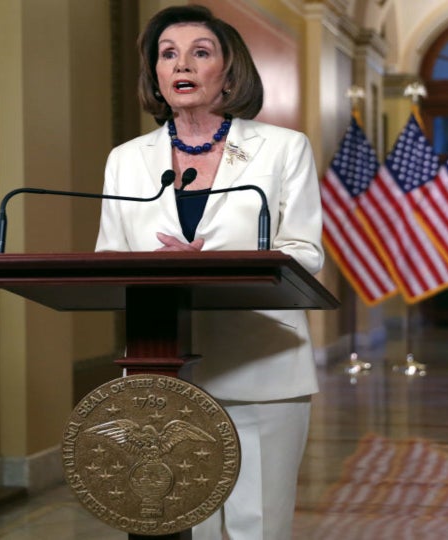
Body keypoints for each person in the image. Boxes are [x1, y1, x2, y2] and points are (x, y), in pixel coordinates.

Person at [94, 5, 324, 540]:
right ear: (155, 73)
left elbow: (305, 254)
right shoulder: (125, 159)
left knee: (255, 526)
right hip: (160, 368)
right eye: (168, 54)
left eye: (200, 53)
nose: (182, 64)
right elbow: (108, 258)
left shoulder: (283, 149)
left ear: (229, 71)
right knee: (171, 521)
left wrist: (211, 263)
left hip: (261, 362)